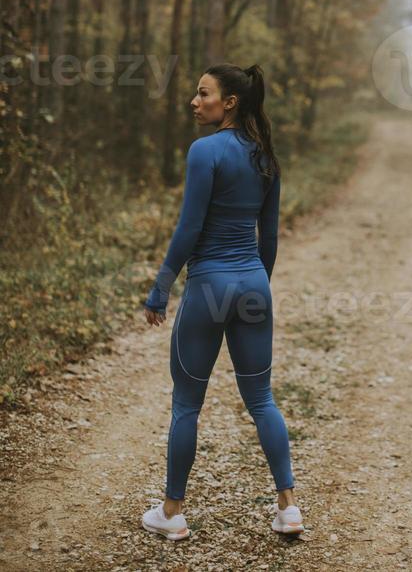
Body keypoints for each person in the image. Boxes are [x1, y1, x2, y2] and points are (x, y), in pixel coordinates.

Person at [140, 62, 303, 542]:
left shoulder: (204, 151)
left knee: (187, 405)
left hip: (209, 286)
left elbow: (189, 229)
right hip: (252, 284)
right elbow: (267, 237)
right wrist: (255, 287)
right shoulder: (267, 157)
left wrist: (160, 288)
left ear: (229, 102)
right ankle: (289, 508)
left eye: (203, 93)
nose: (194, 101)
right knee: (262, 399)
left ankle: (172, 514)